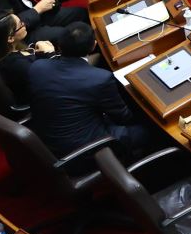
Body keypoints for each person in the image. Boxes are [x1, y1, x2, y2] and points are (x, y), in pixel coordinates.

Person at [26, 22, 155, 164]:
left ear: (59, 46)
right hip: (83, 150)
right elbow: (122, 117)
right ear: (94, 45)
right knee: (148, 128)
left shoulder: (37, 67)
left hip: (47, 140)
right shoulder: (100, 79)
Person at [0, 13, 51, 107]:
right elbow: (49, 79)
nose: (24, 24)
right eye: (21, 24)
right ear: (10, 38)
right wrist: (48, 54)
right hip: (44, 100)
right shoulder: (16, 65)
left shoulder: (5, 51)